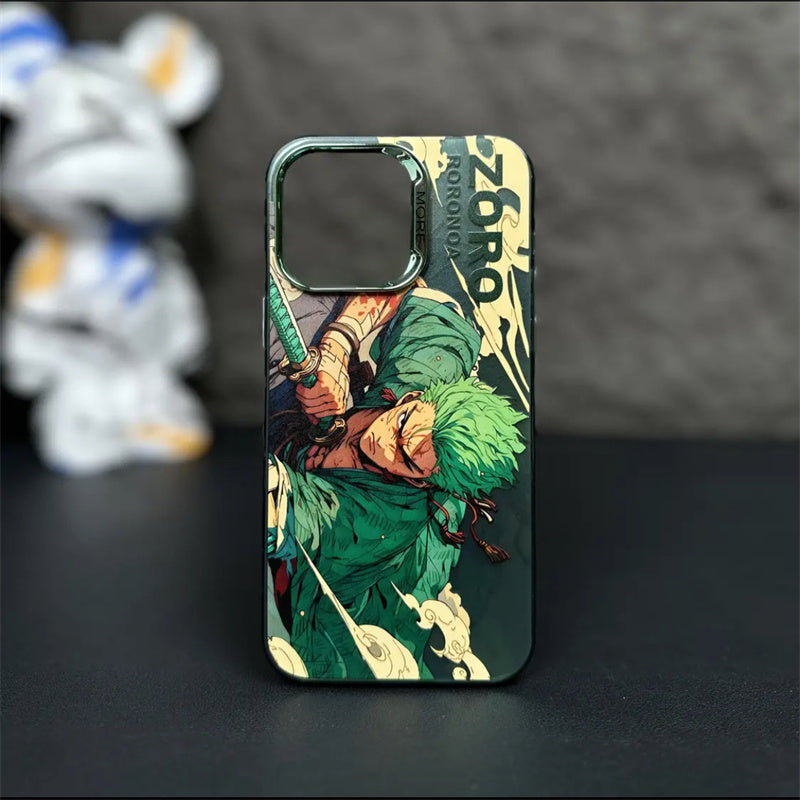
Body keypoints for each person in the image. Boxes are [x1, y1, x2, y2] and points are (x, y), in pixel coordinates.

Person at [267, 285, 526, 679]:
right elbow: (421, 295)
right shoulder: (431, 375)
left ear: (423, 482)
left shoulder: (383, 515)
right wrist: (337, 349)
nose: (384, 443)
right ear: (416, 399)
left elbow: (281, 507)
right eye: (402, 424)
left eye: (405, 460)